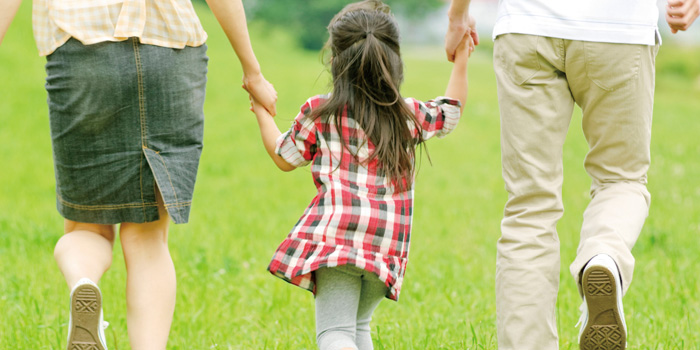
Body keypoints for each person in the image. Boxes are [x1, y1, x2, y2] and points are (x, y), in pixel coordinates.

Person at [0, 0, 276, 349]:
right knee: (148, 238)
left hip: (83, 58)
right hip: (171, 58)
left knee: (87, 227)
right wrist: (252, 71)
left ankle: (84, 282)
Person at [248, 1, 472, 349]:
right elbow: (450, 113)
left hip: (339, 239)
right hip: (386, 245)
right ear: (393, 61)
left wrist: (261, 111)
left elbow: (285, 156)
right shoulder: (407, 115)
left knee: (335, 334)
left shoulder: (320, 112)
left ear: (335, 61)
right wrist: (462, 58)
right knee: (358, 327)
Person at [445, 0, 659, 349]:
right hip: (619, 27)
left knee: (530, 206)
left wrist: (458, 15)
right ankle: (602, 255)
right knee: (620, 179)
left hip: (527, 25)